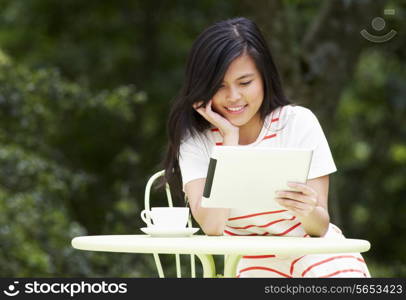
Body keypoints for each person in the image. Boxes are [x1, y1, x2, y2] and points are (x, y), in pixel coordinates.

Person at [162, 17, 371, 278]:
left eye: (245, 82)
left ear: (264, 77)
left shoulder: (297, 123)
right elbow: (213, 226)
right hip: (252, 261)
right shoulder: (196, 139)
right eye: (219, 86)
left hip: (316, 250)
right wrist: (230, 141)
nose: (234, 97)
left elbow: (319, 226)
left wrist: (307, 210)